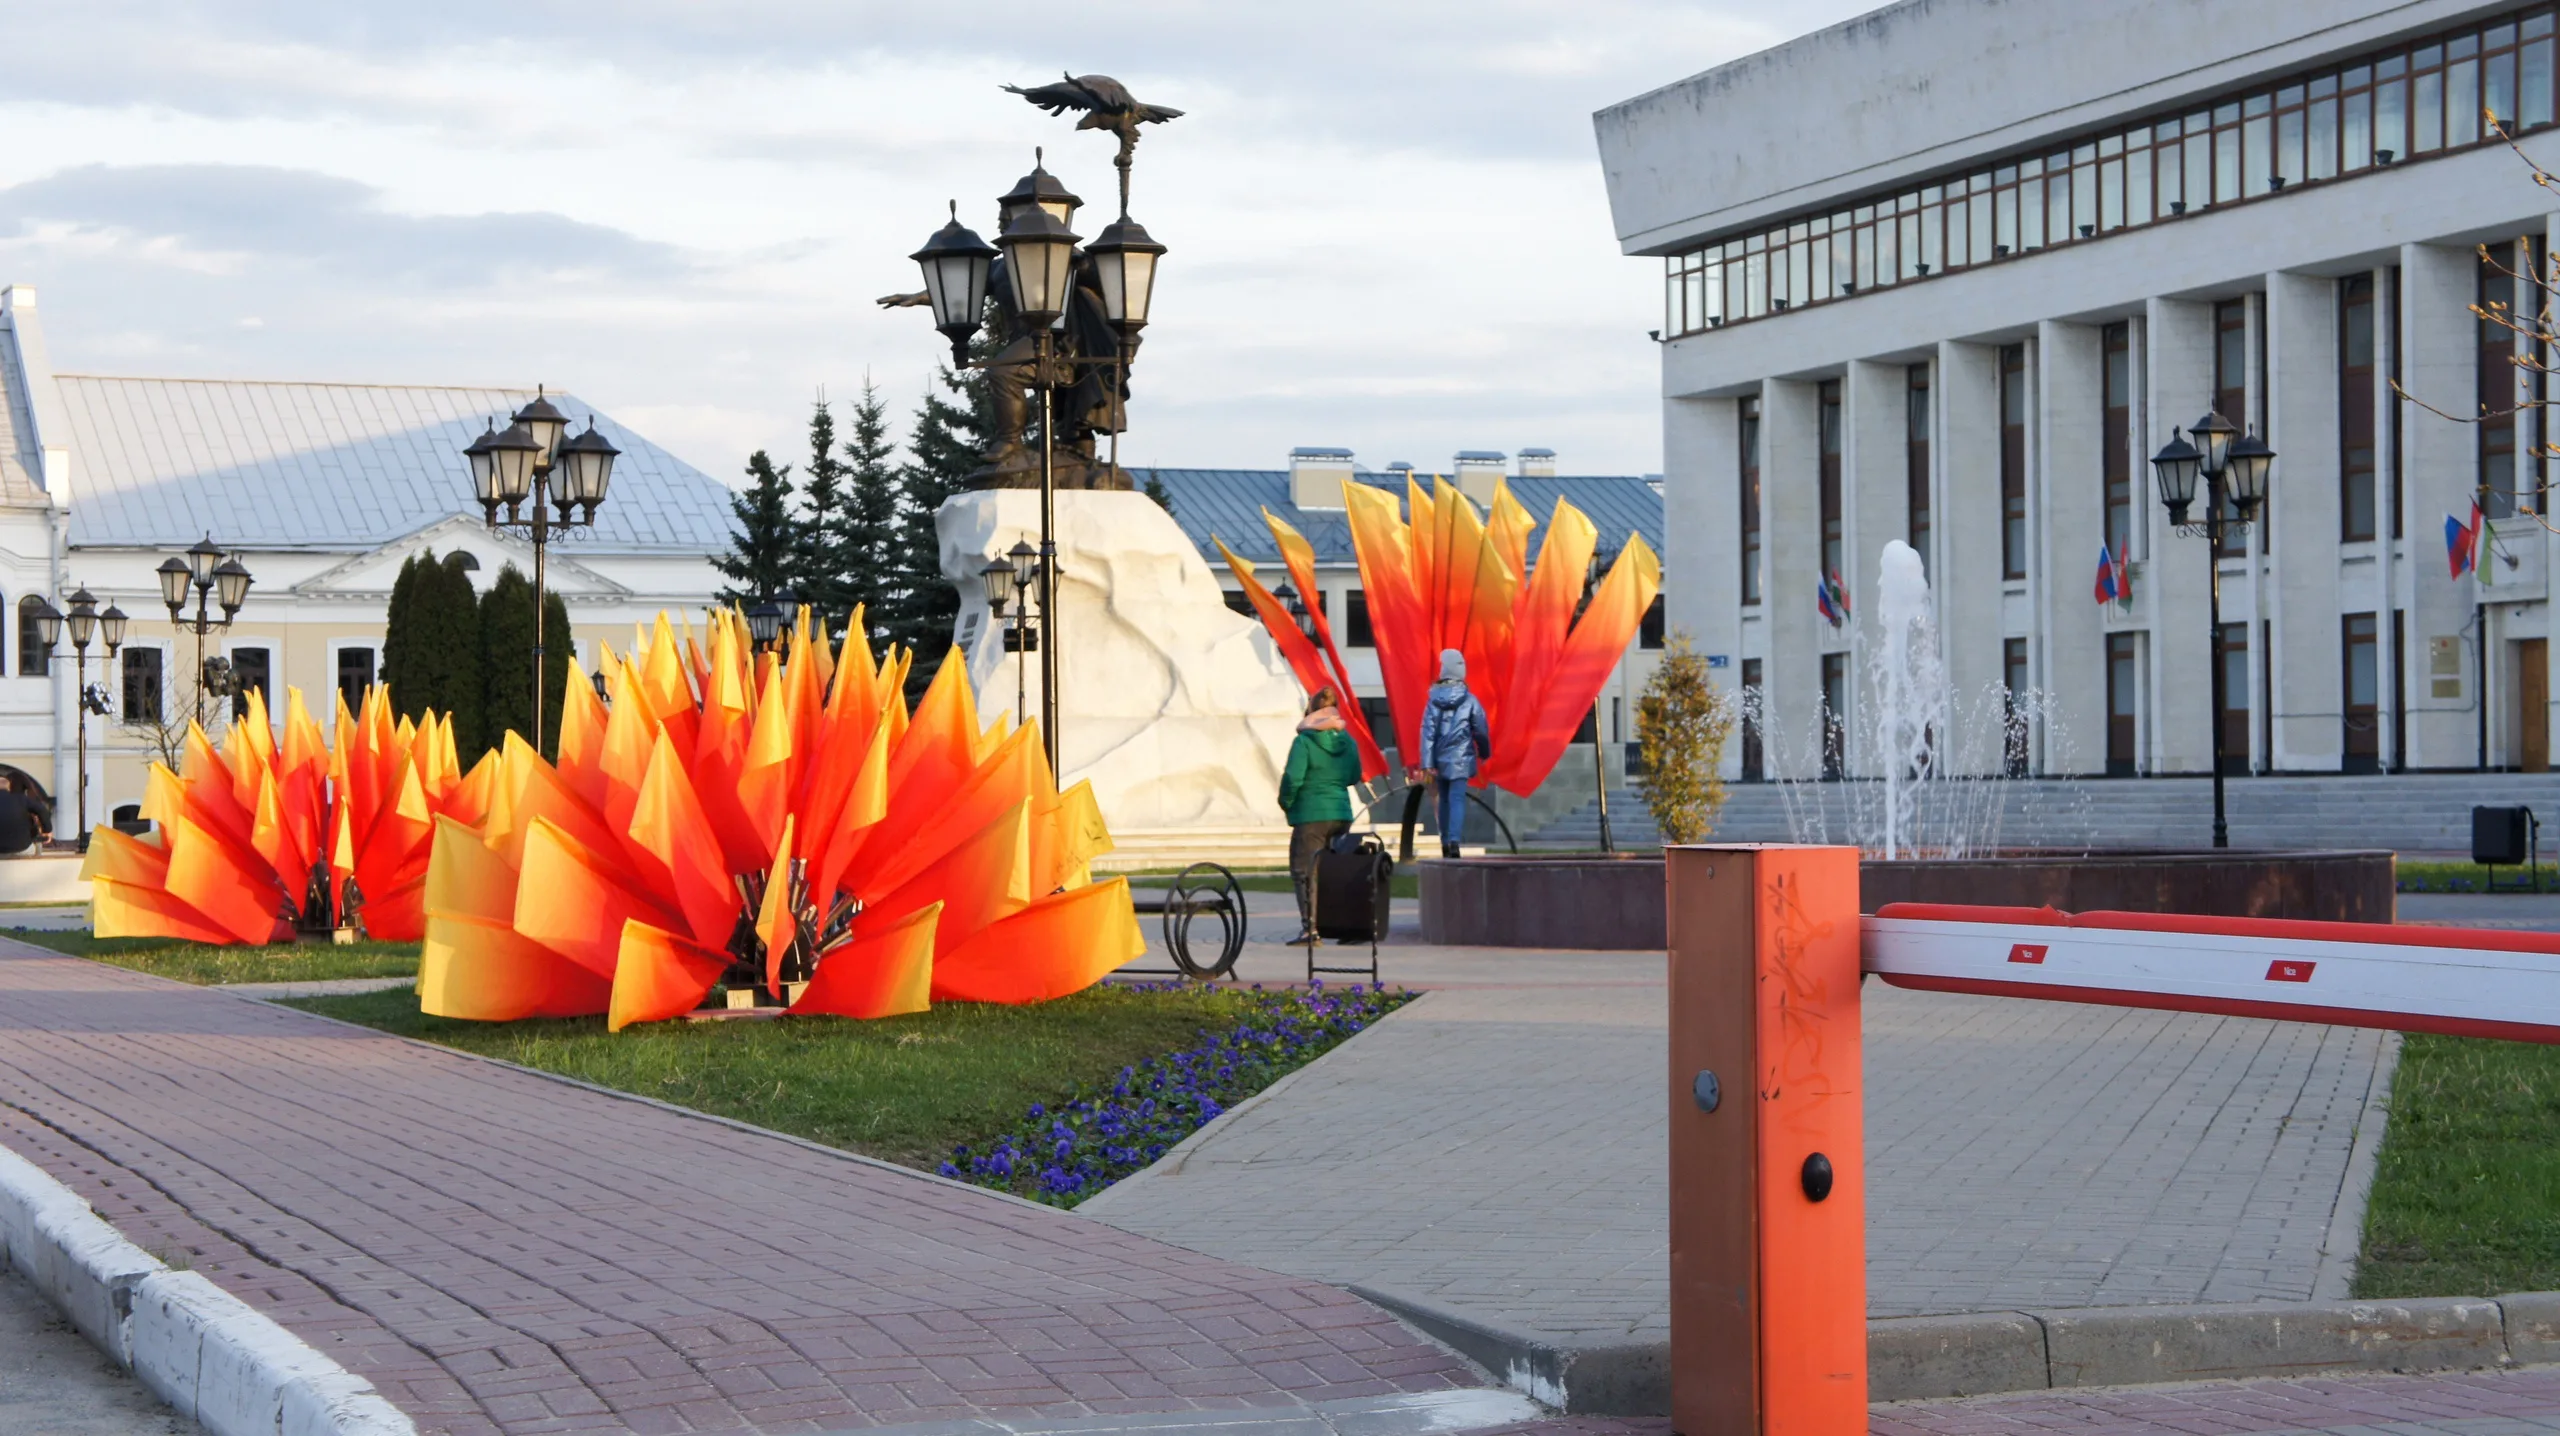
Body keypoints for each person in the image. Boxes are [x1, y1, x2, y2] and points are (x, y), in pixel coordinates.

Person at [1277, 687, 1363, 943]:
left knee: (1304, 871)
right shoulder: (1347, 740)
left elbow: (1293, 778)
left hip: (1310, 815)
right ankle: (1343, 927)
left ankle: (1311, 929)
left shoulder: (1303, 742)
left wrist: (1286, 801)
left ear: (1310, 711)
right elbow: (1354, 775)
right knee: (1334, 871)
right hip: (1340, 812)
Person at [1412, 648, 1490, 860]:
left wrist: (1427, 763)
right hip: (1462, 758)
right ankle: (1454, 841)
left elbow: (1427, 733)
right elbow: (1481, 729)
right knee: (1456, 799)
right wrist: (1484, 752)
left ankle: (1444, 842)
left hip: (1439, 759)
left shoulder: (1432, 702)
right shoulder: (1470, 700)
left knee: (1444, 798)